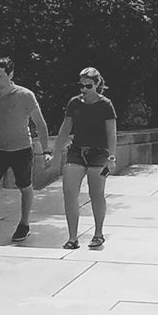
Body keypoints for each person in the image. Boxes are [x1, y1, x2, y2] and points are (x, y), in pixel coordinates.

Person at [0, 57, 53, 245]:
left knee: (25, 187)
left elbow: (40, 123)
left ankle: (24, 224)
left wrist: (46, 150)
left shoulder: (25, 96)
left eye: (0, 76)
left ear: (10, 75)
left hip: (21, 149)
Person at [52, 65, 118, 249]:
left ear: (97, 85)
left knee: (96, 193)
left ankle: (98, 234)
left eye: (88, 86)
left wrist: (111, 158)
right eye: (81, 85)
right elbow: (65, 128)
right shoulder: (74, 103)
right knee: (69, 193)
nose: (84, 89)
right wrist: (55, 152)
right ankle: (72, 238)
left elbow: (112, 134)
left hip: (99, 154)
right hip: (77, 151)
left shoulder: (106, 105)